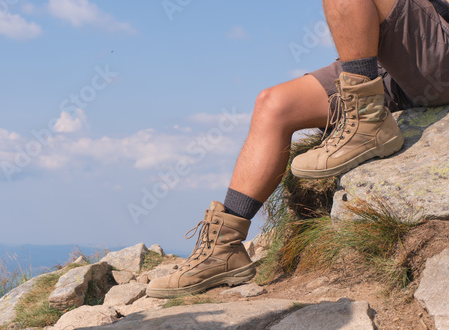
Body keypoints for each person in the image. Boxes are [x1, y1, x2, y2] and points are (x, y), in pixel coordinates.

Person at [146, 0, 449, 298]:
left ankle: (368, 123)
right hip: (396, 61)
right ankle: (224, 249)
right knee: (273, 105)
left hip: (439, 51)